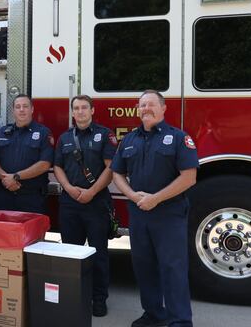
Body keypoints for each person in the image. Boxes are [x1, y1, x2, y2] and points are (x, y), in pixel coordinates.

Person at [111, 90, 198, 327]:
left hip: (168, 214)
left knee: (173, 268)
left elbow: (189, 177)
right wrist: (131, 195)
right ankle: (153, 314)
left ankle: (180, 320)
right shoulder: (129, 140)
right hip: (139, 214)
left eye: (150, 104)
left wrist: (156, 198)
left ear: (163, 108)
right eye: (141, 105)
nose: (145, 109)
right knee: (143, 266)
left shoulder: (179, 138)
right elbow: (116, 172)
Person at [53, 95, 117, 317]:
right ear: (72, 112)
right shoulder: (64, 138)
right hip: (70, 203)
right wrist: (69, 188)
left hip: (96, 203)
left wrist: (92, 192)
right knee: (71, 254)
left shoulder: (104, 135)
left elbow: (111, 169)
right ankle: (74, 296)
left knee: (99, 254)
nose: (80, 112)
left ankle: (99, 299)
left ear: (92, 110)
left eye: (84, 108)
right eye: (76, 108)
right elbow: (57, 167)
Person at [0, 94, 54, 213]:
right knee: (3, 231)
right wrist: (6, 179)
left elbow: (45, 164)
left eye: (25, 106)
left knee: (32, 232)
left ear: (32, 109)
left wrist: (16, 177)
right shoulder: (2, 132)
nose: (21, 109)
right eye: (18, 107)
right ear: (13, 110)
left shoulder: (43, 132)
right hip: (4, 196)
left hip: (32, 198)